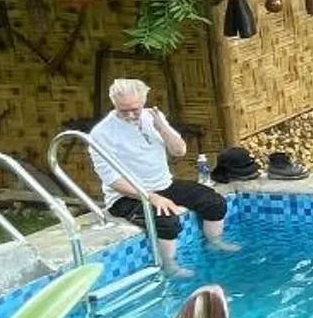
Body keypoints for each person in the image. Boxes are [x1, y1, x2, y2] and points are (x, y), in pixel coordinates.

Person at [88, 77, 232, 274]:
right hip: (126, 197)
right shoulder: (102, 133)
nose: (131, 115)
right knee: (167, 221)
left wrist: (161, 127)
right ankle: (169, 266)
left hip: (164, 185)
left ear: (144, 101)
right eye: (124, 110)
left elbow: (179, 151)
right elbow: (112, 180)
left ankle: (214, 243)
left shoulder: (152, 117)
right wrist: (151, 197)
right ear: (114, 104)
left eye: (135, 108)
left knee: (214, 201)